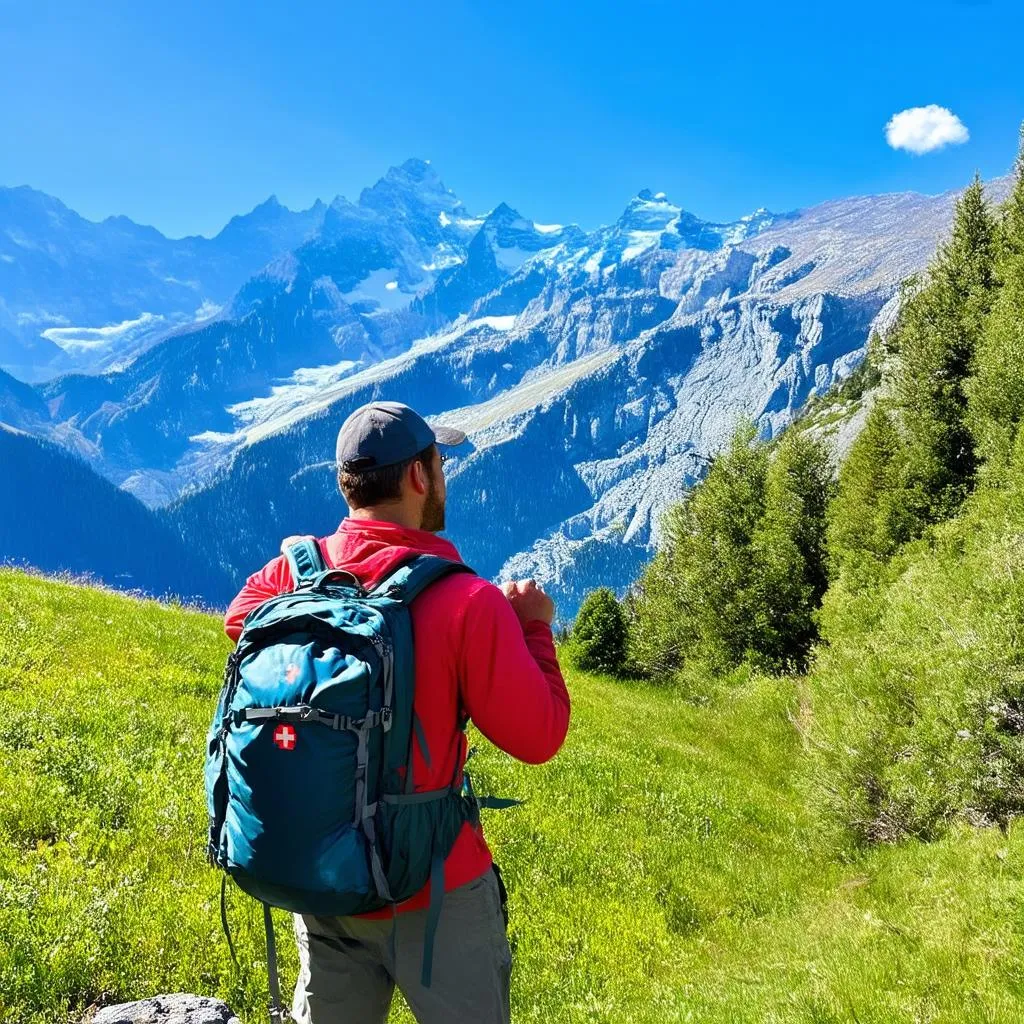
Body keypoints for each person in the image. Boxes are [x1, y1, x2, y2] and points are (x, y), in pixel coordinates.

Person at [222, 400, 571, 1024]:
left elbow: (239, 620)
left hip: (326, 872)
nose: (442, 476)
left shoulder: (291, 575)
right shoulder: (468, 601)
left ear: (345, 484)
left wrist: (313, 570)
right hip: (436, 889)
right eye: (439, 462)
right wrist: (535, 630)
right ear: (418, 476)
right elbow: (539, 735)